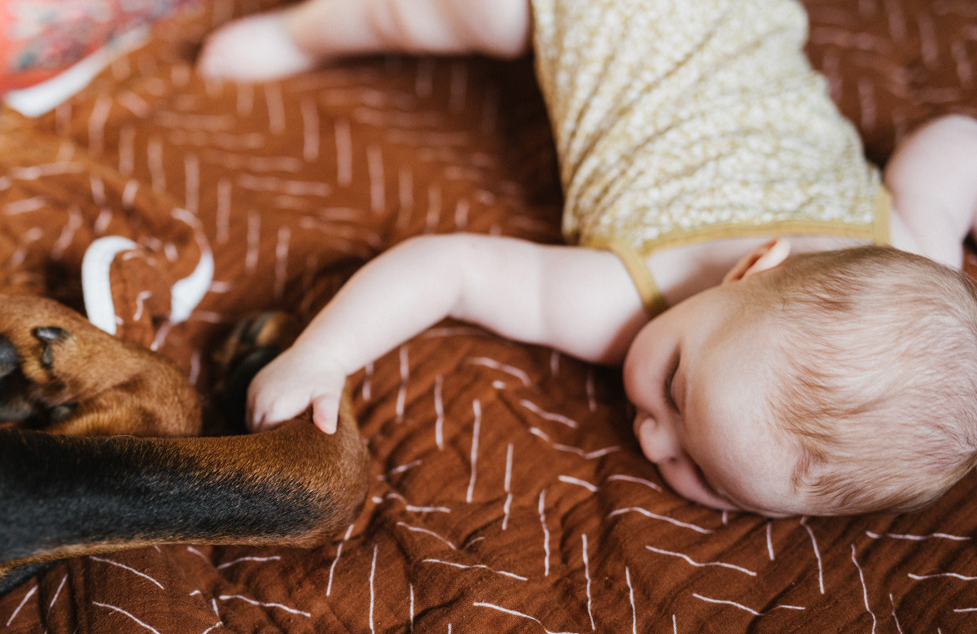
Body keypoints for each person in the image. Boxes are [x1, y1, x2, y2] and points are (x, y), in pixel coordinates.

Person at [196, 0, 977, 517]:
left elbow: (956, 143)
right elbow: (450, 270)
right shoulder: (626, 300)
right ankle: (305, 30)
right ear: (749, 269)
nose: (655, 438)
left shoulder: (913, 242)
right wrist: (325, 353)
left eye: (709, 481)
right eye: (674, 386)